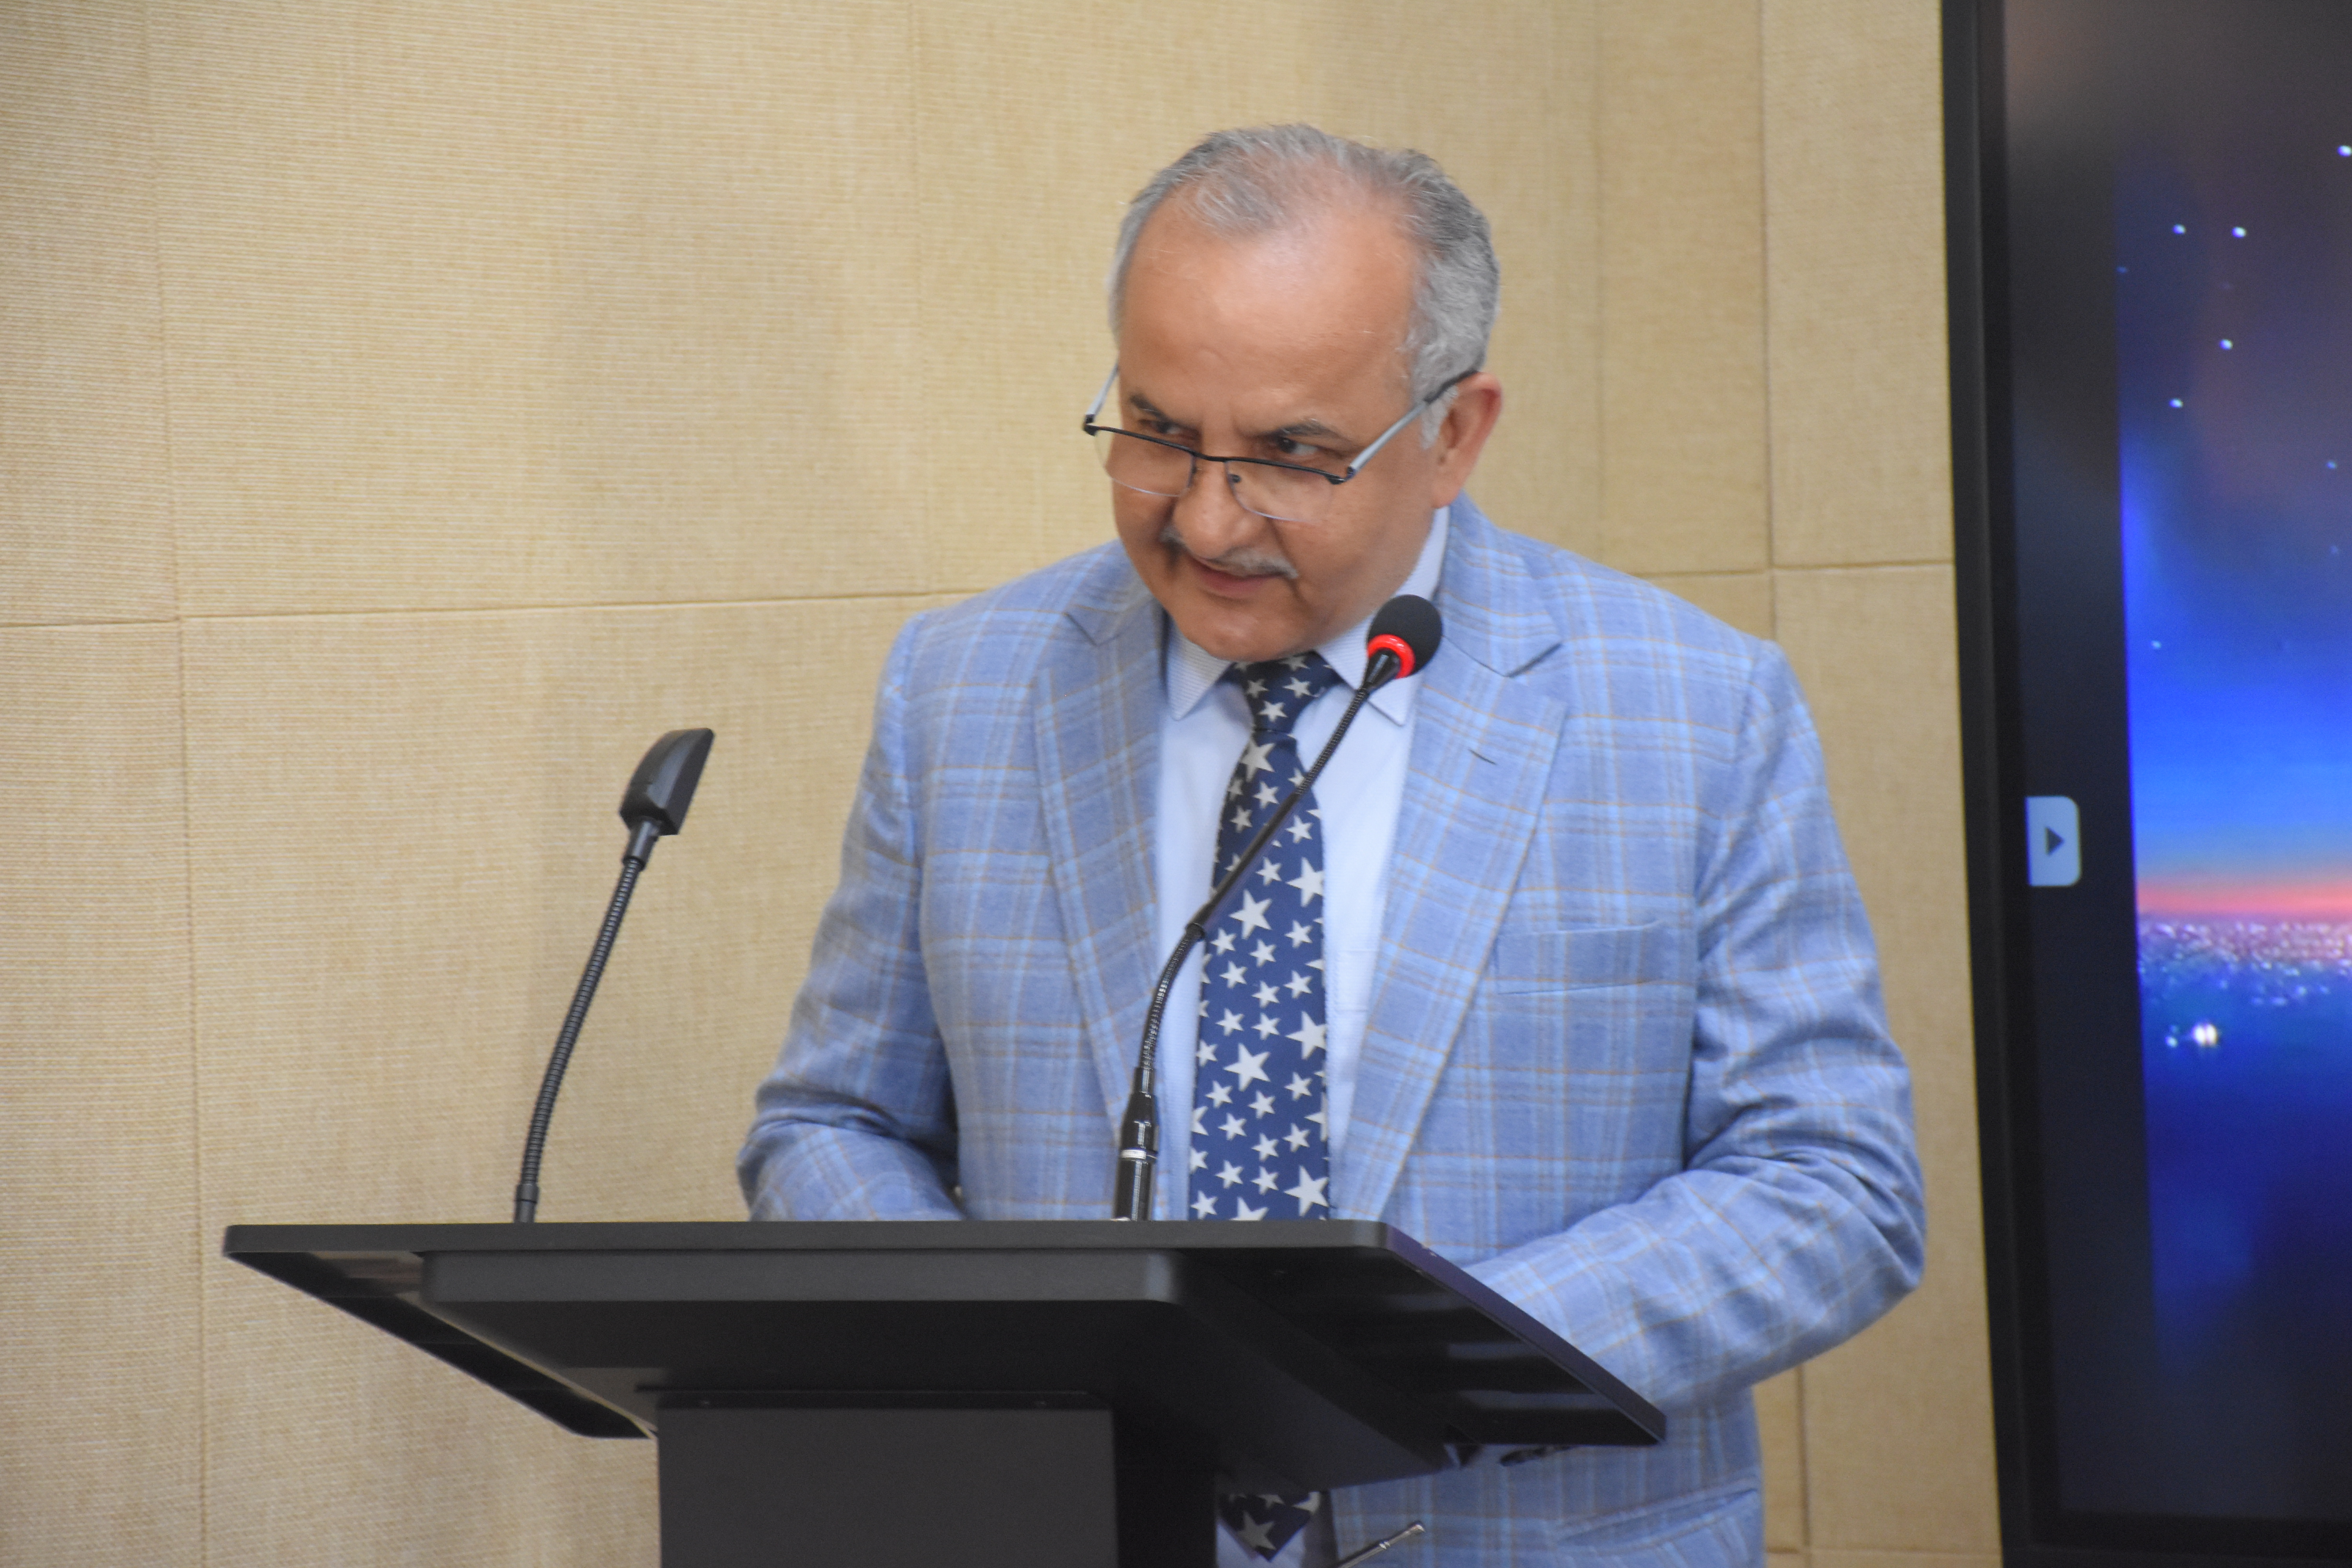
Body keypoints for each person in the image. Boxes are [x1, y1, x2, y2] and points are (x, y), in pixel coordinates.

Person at [739, 124, 1924, 1566]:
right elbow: (832, 1130)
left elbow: (1831, 1186)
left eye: (1292, 456)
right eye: (1157, 432)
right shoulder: (963, 692)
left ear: (1453, 433)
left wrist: (1418, 1367)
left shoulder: (1695, 708)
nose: (1206, 517)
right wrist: (1016, 1362)